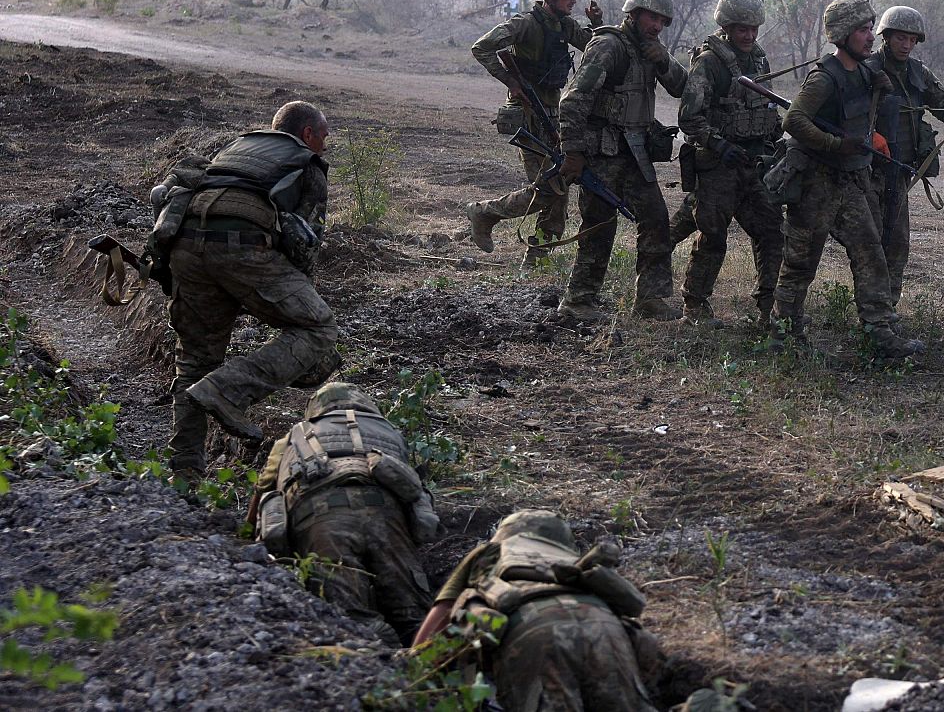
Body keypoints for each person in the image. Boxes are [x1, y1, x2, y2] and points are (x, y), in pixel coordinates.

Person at [162, 100, 339, 479]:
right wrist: (297, 303)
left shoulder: (236, 148)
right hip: (240, 247)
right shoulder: (307, 164)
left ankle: (185, 472)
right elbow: (306, 246)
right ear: (308, 134)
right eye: (324, 136)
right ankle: (227, 392)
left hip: (185, 248)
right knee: (319, 327)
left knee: (195, 361)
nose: (326, 144)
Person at [768, 0, 924, 358]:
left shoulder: (868, 72)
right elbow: (793, 121)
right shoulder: (824, 78)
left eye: (871, 28)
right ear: (843, 34)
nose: (871, 37)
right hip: (816, 185)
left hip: (853, 183)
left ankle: (880, 331)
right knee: (801, 262)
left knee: (871, 254)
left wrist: (874, 130)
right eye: (863, 30)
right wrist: (837, 144)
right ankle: (783, 334)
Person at [248, 382, 439, 645]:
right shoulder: (390, 431)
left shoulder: (294, 436)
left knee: (351, 622)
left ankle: (373, 666)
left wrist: (246, 536)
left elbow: (263, 491)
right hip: (385, 514)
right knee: (413, 617)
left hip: (320, 517)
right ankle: (425, 669)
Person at [413, 510, 660, 711]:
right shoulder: (572, 559)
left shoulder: (491, 552)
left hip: (534, 630)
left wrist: (412, 669)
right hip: (606, 627)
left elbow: (444, 611)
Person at [555, 0, 687, 322]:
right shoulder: (609, 46)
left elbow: (684, 88)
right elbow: (573, 100)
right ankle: (577, 301)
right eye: (651, 18)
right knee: (599, 224)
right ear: (634, 13)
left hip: (635, 152)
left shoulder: (651, 50)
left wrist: (665, 62)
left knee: (656, 218)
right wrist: (572, 152)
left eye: (662, 21)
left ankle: (650, 299)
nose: (656, 26)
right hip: (602, 152)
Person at [466, 0, 605, 265]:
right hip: (529, 115)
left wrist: (597, 23)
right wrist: (511, 82)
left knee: (559, 186)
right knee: (549, 188)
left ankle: (537, 257)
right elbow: (481, 48)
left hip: (554, 114)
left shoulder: (564, 26)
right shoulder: (524, 25)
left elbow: (593, 48)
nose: (572, 2)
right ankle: (485, 212)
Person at [669, 0, 784, 327]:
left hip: (755, 163)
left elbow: (766, 107)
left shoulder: (759, 60)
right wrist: (719, 145)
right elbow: (689, 117)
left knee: (772, 231)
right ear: (727, 28)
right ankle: (694, 305)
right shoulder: (710, 63)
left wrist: (778, 136)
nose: (748, 35)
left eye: (753, 29)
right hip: (719, 165)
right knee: (713, 234)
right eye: (741, 29)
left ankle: (768, 307)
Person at [865, 5, 944, 308]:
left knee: (896, 243)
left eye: (912, 40)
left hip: (901, 170)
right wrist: (869, 137)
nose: (906, 46)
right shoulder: (867, 68)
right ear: (886, 36)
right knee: (866, 241)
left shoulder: (918, 72)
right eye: (900, 39)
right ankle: (867, 307)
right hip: (865, 170)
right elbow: (845, 112)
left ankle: (885, 308)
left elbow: (940, 101)